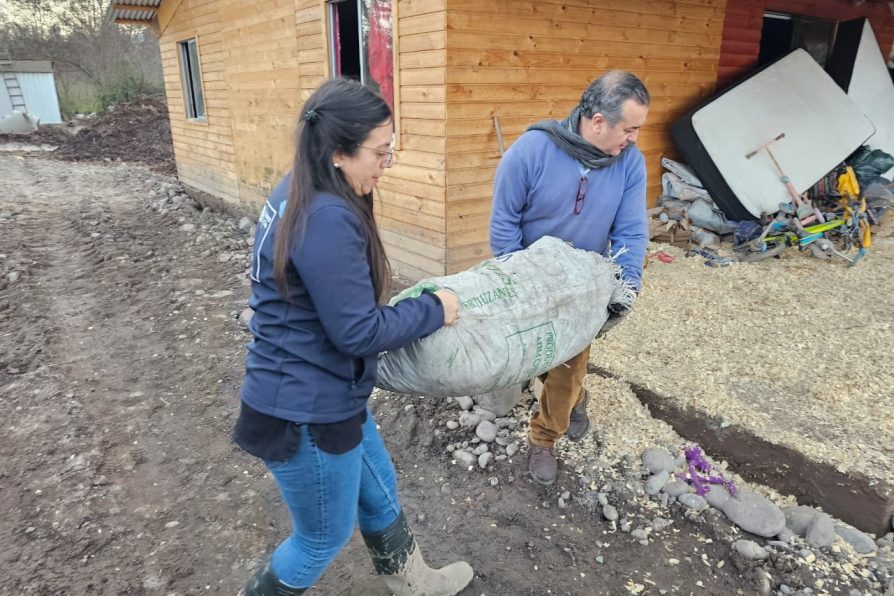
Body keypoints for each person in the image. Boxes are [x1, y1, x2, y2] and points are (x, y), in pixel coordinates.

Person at [234, 78, 473, 596]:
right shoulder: (325, 216)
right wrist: (435, 308)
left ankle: (415, 582)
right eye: (380, 153)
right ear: (339, 152)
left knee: (379, 492)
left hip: (328, 393)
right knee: (321, 539)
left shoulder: (299, 187)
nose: (387, 164)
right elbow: (358, 330)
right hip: (304, 411)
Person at [489, 70, 650, 486]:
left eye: (637, 130)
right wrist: (518, 280)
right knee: (535, 354)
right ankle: (577, 397)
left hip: (582, 285)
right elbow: (504, 225)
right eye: (628, 129)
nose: (632, 138)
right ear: (597, 122)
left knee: (566, 365)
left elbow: (630, 230)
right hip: (528, 278)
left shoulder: (629, 162)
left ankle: (543, 438)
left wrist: (625, 287)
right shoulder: (530, 152)